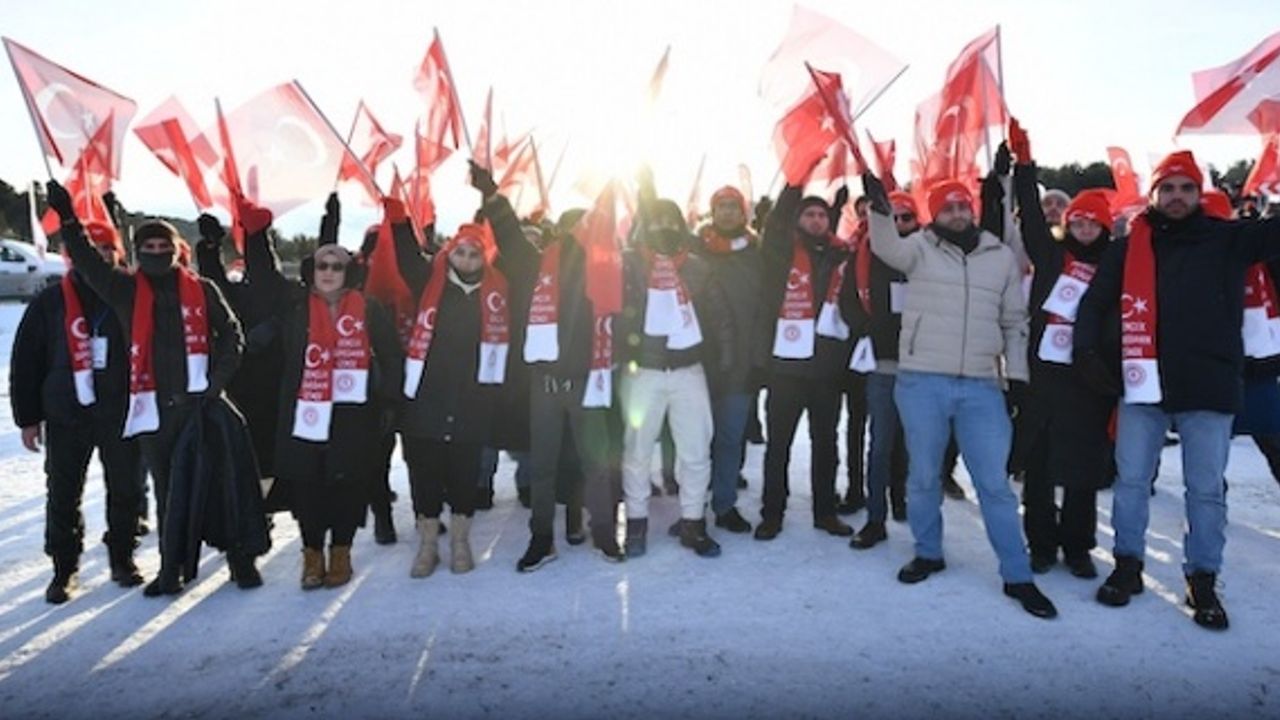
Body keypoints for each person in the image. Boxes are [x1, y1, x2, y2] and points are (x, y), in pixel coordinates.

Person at [1075, 151, 1280, 630]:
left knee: (1205, 490)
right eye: (1168, 189)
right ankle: (1128, 566)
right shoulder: (1129, 247)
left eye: (1186, 188)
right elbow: (1097, 300)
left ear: (1198, 194)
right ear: (1154, 195)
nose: (1177, 197)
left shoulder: (1228, 238)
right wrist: (1087, 352)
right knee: (1130, 482)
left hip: (1209, 386)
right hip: (1144, 384)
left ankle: (1203, 578)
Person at [863, 171, 1057, 619]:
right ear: (936, 214)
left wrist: (1019, 378)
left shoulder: (1000, 256)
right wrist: (878, 209)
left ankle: (1017, 574)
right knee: (924, 475)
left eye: (961, 206)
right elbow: (885, 246)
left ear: (971, 209)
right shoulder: (919, 249)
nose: (956, 213)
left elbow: (1014, 322)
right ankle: (928, 551)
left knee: (994, 483)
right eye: (946, 207)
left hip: (981, 386)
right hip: (921, 381)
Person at [47, 181, 252, 597]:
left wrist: (216, 384)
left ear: (178, 250)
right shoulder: (123, 290)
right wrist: (69, 220)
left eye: (164, 246)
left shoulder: (204, 290)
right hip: (153, 410)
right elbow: (88, 261)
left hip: (203, 404)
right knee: (167, 492)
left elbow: (232, 336)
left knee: (222, 482)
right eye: (149, 247)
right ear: (139, 253)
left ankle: (241, 560)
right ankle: (171, 568)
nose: (157, 253)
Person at [228, 208, 403, 590]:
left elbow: (392, 355)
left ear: (349, 272)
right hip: (304, 413)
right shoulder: (293, 306)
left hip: (352, 415)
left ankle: (341, 552)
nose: (328, 272)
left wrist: (389, 400)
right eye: (322, 264)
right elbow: (265, 275)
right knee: (307, 487)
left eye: (336, 266)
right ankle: (312, 555)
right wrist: (257, 234)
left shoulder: (369, 309)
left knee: (348, 485)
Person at [473, 164, 625, 570]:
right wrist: (491, 195)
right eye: (573, 230)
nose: (580, 237)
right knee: (542, 465)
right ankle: (542, 538)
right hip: (544, 384)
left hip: (586, 383)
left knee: (595, 463)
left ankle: (605, 532)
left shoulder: (605, 273)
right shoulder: (535, 265)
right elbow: (506, 230)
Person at [10, 219, 146, 603]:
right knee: (63, 492)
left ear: (116, 253)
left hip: (119, 409)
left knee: (126, 488)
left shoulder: (129, 294)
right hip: (66, 413)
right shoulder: (49, 302)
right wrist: (28, 418)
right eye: (93, 248)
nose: (100, 256)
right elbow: (26, 363)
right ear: (71, 256)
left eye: (107, 249)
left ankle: (122, 557)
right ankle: (64, 568)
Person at [1009, 121, 1115, 579]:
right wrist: (1025, 166)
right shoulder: (1052, 259)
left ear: (1105, 226)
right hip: (1045, 377)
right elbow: (1031, 217)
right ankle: (1041, 544)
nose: (1085, 226)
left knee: (1081, 471)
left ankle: (1077, 546)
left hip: (1088, 379)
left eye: (1094, 221)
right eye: (1078, 220)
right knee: (1038, 466)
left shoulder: (1117, 263)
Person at [393, 194, 510, 578]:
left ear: (484, 258)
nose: (467, 262)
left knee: (464, 471)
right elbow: (409, 258)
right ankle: (428, 544)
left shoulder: (497, 292)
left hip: (472, 399)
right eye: (461, 254)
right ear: (451, 253)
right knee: (425, 471)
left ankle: (460, 540)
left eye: (475, 255)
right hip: (427, 396)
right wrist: (397, 218)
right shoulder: (433, 280)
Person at [619, 198, 733, 558]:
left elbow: (720, 319)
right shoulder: (631, 264)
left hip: (688, 370)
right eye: (656, 221)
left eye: (670, 220)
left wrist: (725, 364)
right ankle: (636, 523)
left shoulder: (697, 267)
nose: (663, 228)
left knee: (696, 451)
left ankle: (693, 522)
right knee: (637, 451)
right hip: (644, 372)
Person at [755, 183, 859, 541]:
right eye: (809, 214)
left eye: (821, 214)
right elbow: (774, 225)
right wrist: (794, 184)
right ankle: (772, 514)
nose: (816, 220)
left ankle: (825, 512)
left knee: (826, 444)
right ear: (798, 219)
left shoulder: (842, 255)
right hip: (786, 368)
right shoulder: (781, 251)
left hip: (826, 370)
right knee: (778, 445)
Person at [691, 186, 763, 533]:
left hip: (739, 363)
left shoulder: (757, 252)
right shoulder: (694, 250)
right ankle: (692, 506)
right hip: (696, 362)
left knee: (730, 438)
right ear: (712, 210)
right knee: (696, 439)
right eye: (721, 206)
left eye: (734, 206)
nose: (728, 212)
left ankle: (724, 504)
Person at [848, 191, 916, 549]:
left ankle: (906, 503)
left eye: (907, 218)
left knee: (916, 445)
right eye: (894, 218)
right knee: (881, 443)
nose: (900, 225)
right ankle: (876, 518)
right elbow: (848, 302)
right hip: (884, 363)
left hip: (924, 365)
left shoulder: (927, 254)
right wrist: (870, 331)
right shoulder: (864, 254)